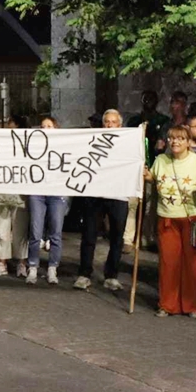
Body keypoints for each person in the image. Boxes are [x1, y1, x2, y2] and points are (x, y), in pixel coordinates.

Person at [145, 124, 196, 318]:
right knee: (168, 262)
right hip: (167, 218)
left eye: (180, 138)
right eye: (172, 138)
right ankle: (167, 304)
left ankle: (192, 305)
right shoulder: (162, 160)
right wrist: (146, 175)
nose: (175, 142)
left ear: (188, 142)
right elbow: (154, 178)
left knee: (195, 264)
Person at [74, 109, 131, 292]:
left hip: (118, 195)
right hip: (94, 194)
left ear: (119, 125)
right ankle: (84, 274)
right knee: (89, 235)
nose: (109, 125)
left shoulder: (128, 144)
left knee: (116, 236)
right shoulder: (93, 141)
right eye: (106, 121)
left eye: (113, 122)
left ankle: (111, 275)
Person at [26, 116, 69, 285]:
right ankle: (33, 267)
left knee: (55, 233)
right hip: (37, 193)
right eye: (42, 126)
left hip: (57, 193)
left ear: (56, 129)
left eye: (49, 126)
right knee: (35, 232)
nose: (45, 129)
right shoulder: (33, 147)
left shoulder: (63, 146)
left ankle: (52, 268)